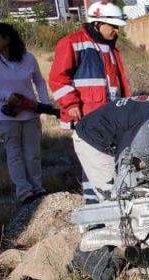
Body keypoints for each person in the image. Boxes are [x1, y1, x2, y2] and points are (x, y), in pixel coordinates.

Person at [48, 0, 130, 204]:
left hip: (109, 118)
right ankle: (95, 206)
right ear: (97, 24)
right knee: (92, 161)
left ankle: (102, 203)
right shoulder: (72, 43)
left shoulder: (110, 48)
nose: (116, 32)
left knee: (104, 161)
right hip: (87, 116)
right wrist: (71, 104)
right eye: (113, 27)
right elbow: (58, 78)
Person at [72, 95, 149, 202]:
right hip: (91, 138)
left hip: (102, 128)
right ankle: (106, 225)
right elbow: (124, 153)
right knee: (116, 197)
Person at [0, 22, 50, 204]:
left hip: (30, 114)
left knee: (33, 153)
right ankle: (24, 191)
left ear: (7, 39)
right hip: (7, 116)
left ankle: (37, 187)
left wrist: (45, 103)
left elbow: (39, 81)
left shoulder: (29, 58)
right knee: (14, 154)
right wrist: (6, 96)